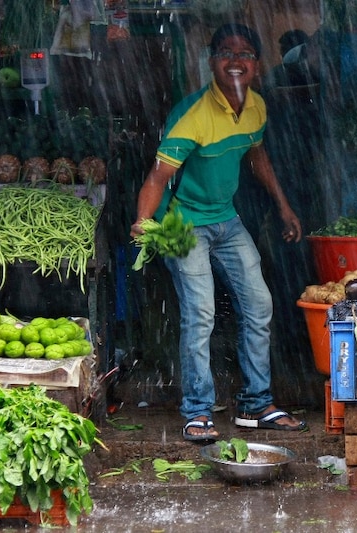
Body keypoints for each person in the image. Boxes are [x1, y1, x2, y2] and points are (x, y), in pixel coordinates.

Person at [131, 23, 307, 442]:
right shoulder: (192, 115)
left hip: (227, 221)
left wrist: (284, 207)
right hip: (185, 224)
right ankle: (197, 411)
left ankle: (256, 404)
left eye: (245, 53)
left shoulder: (257, 108)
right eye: (226, 53)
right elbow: (158, 177)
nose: (236, 61)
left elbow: (257, 153)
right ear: (211, 63)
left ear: (257, 65)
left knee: (259, 305)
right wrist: (143, 219)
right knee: (201, 314)